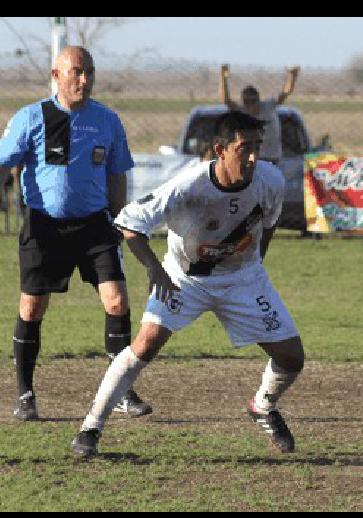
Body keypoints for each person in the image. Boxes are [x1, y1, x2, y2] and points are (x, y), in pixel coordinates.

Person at [70, 111, 305, 458]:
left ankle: (262, 406)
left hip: (243, 279)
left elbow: (268, 221)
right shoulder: (187, 186)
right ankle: (90, 427)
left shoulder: (270, 179)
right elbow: (130, 224)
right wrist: (154, 269)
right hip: (185, 280)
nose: (254, 157)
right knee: (144, 345)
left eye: (259, 146)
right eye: (244, 148)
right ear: (220, 149)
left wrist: (253, 266)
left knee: (292, 358)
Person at [0, 46, 151, 421]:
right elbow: (3, 163)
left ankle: (120, 391)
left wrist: (120, 219)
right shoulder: (31, 118)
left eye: (89, 73)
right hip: (43, 226)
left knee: (116, 302)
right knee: (32, 307)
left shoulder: (106, 120)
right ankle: (25, 394)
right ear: (56, 75)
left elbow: (117, 173)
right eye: (76, 72)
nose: (84, 80)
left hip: (94, 225)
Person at [219, 63, 300, 166]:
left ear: (258, 99)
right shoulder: (242, 111)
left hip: (271, 157)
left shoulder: (268, 107)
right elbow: (226, 100)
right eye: (246, 101)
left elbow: (285, 93)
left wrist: (292, 76)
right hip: (251, 158)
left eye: (253, 101)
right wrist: (223, 77)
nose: (250, 105)